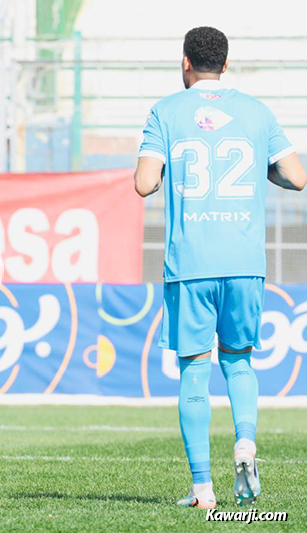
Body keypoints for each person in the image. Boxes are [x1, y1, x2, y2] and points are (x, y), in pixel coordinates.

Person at [135, 26, 306, 508]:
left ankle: (203, 488)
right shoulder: (257, 111)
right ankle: (246, 441)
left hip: (191, 262)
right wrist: (260, 171)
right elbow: (296, 176)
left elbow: (144, 184)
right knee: (238, 360)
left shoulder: (165, 111)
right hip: (245, 261)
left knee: (194, 369)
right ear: (226, 65)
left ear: (185, 62)